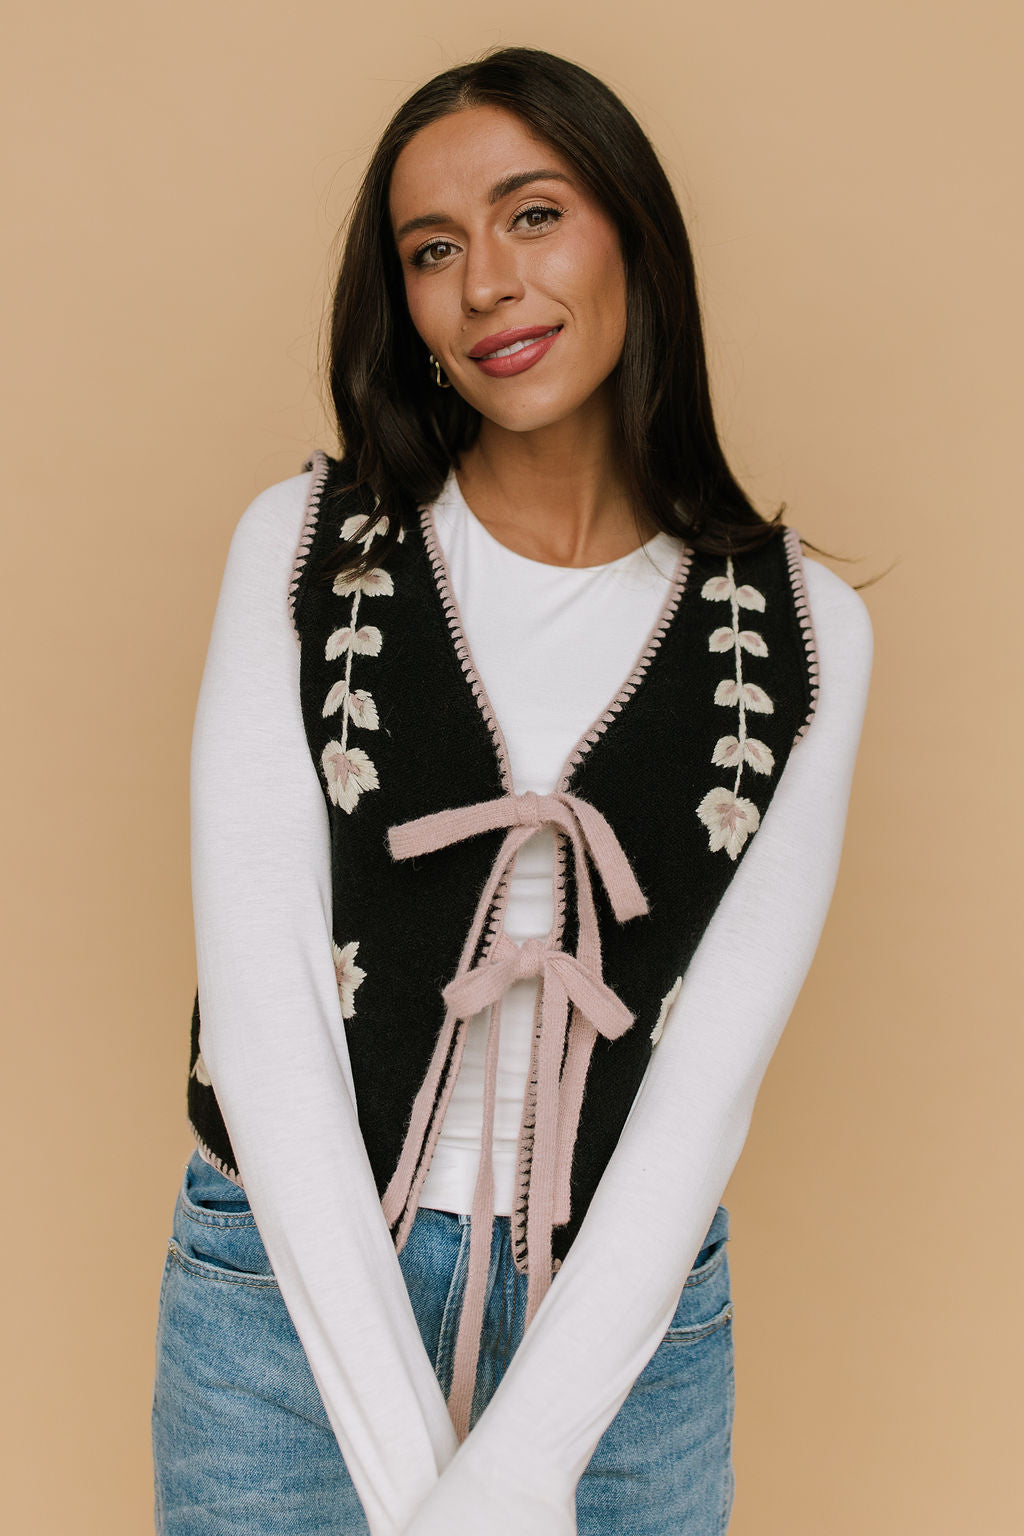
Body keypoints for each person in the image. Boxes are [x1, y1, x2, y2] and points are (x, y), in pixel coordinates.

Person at [151, 45, 873, 1536]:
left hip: (619, 1331)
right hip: (281, 1299)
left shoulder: (806, 634)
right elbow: (268, 1016)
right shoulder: (306, 552)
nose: (486, 282)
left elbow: (706, 1086)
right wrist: (420, 1476)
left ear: (633, 236)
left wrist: (522, 1468)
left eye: (533, 215)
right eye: (432, 249)